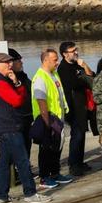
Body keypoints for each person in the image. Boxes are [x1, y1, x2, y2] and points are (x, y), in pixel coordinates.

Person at [0, 53, 51, 203]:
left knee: (4, 162)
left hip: (5, 127)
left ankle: (1, 195)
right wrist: (16, 84)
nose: (10, 65)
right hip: (9, 127)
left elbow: (20, 97)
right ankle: (30, 193)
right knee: (22, 160)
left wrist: (16, 82)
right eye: (6, 62)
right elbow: (17, 101)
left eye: (10, 62)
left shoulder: (4, 80)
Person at [32, 49, 73, 189]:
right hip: (47, 119)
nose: (57, 62)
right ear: (45, 60)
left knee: (57, 146)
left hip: (58, 118)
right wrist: (47, 122)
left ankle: (55, 173)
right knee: (46, 148)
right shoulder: (40, 78)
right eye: (55, 60)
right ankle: (44, 177)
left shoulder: (54, 74)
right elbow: (41, 100)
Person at [57, 41, 94, 177]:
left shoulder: (78, 65)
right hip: (73, 107)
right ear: (65, 54)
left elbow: (92, 76)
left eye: (76, 50)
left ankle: (79, 161)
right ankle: (73, 164)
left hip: (83, 104)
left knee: (82, 134)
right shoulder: (63, 68)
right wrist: (84, 80)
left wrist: (84, 66)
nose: (76, 53)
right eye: (73, 51)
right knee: (76, 135)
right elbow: (75, 83)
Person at [8, 48, 34, 166]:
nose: (21, 63)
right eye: (19, 60)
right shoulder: (7, 79)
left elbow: (31, 91)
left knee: (27, 144)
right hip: (16, 118)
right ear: (11, 63)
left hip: (28, 116)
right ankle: (16, 172)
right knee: (17, 147)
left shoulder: (23, 76)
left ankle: (24, 167)